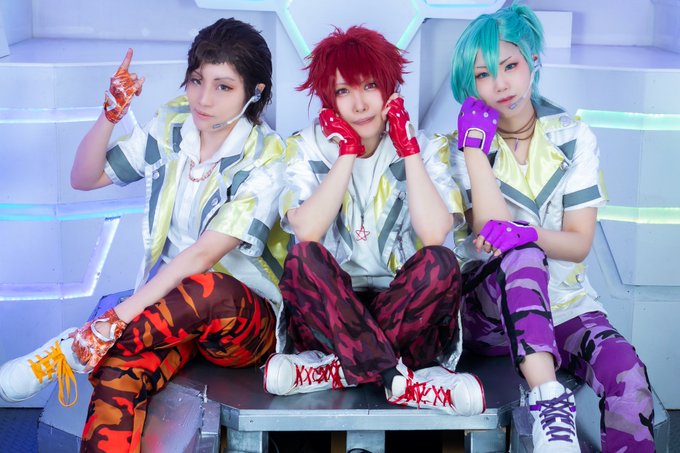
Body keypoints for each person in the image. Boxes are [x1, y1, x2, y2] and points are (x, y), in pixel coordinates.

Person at [0, 18, 289, 451]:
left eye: (224, 87)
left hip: (242, 325)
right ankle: (84, 349)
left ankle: (70, 350)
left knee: (209, 288)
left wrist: (114, 319)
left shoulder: (268, 157)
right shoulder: (173, 125)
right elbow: (84, 178)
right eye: (197, 80)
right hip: (165, 314)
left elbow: (202, 256)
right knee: (118, 368)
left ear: (256, 92)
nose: (203, 99)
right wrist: (109, 116)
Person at [449, 3, 655, 452]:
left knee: (628, 376)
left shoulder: (573, 136)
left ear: (533, 62)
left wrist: (529, 233)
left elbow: (579, 243)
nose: (501, 84)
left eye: (510, 66)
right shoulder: (461, 146)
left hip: (566, 307)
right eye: (484, 75)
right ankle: (549, 404)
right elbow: (489, 233)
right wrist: (475, 152)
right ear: (470, 84)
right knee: (521, 254)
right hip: (491, 315)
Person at [262, 25, 485, 416]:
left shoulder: (425, 146)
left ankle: (339, 368)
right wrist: (347, 152)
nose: (360, 104)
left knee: (441, 263)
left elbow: (435, 233)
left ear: (389, 89)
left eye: (370, 86)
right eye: (343, 91)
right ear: (328, 99)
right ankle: (396, 379)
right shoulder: (305, 146)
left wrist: (408, 149)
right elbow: (307, 231)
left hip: (404, 311)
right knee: (302, 259)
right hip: (330, 310)